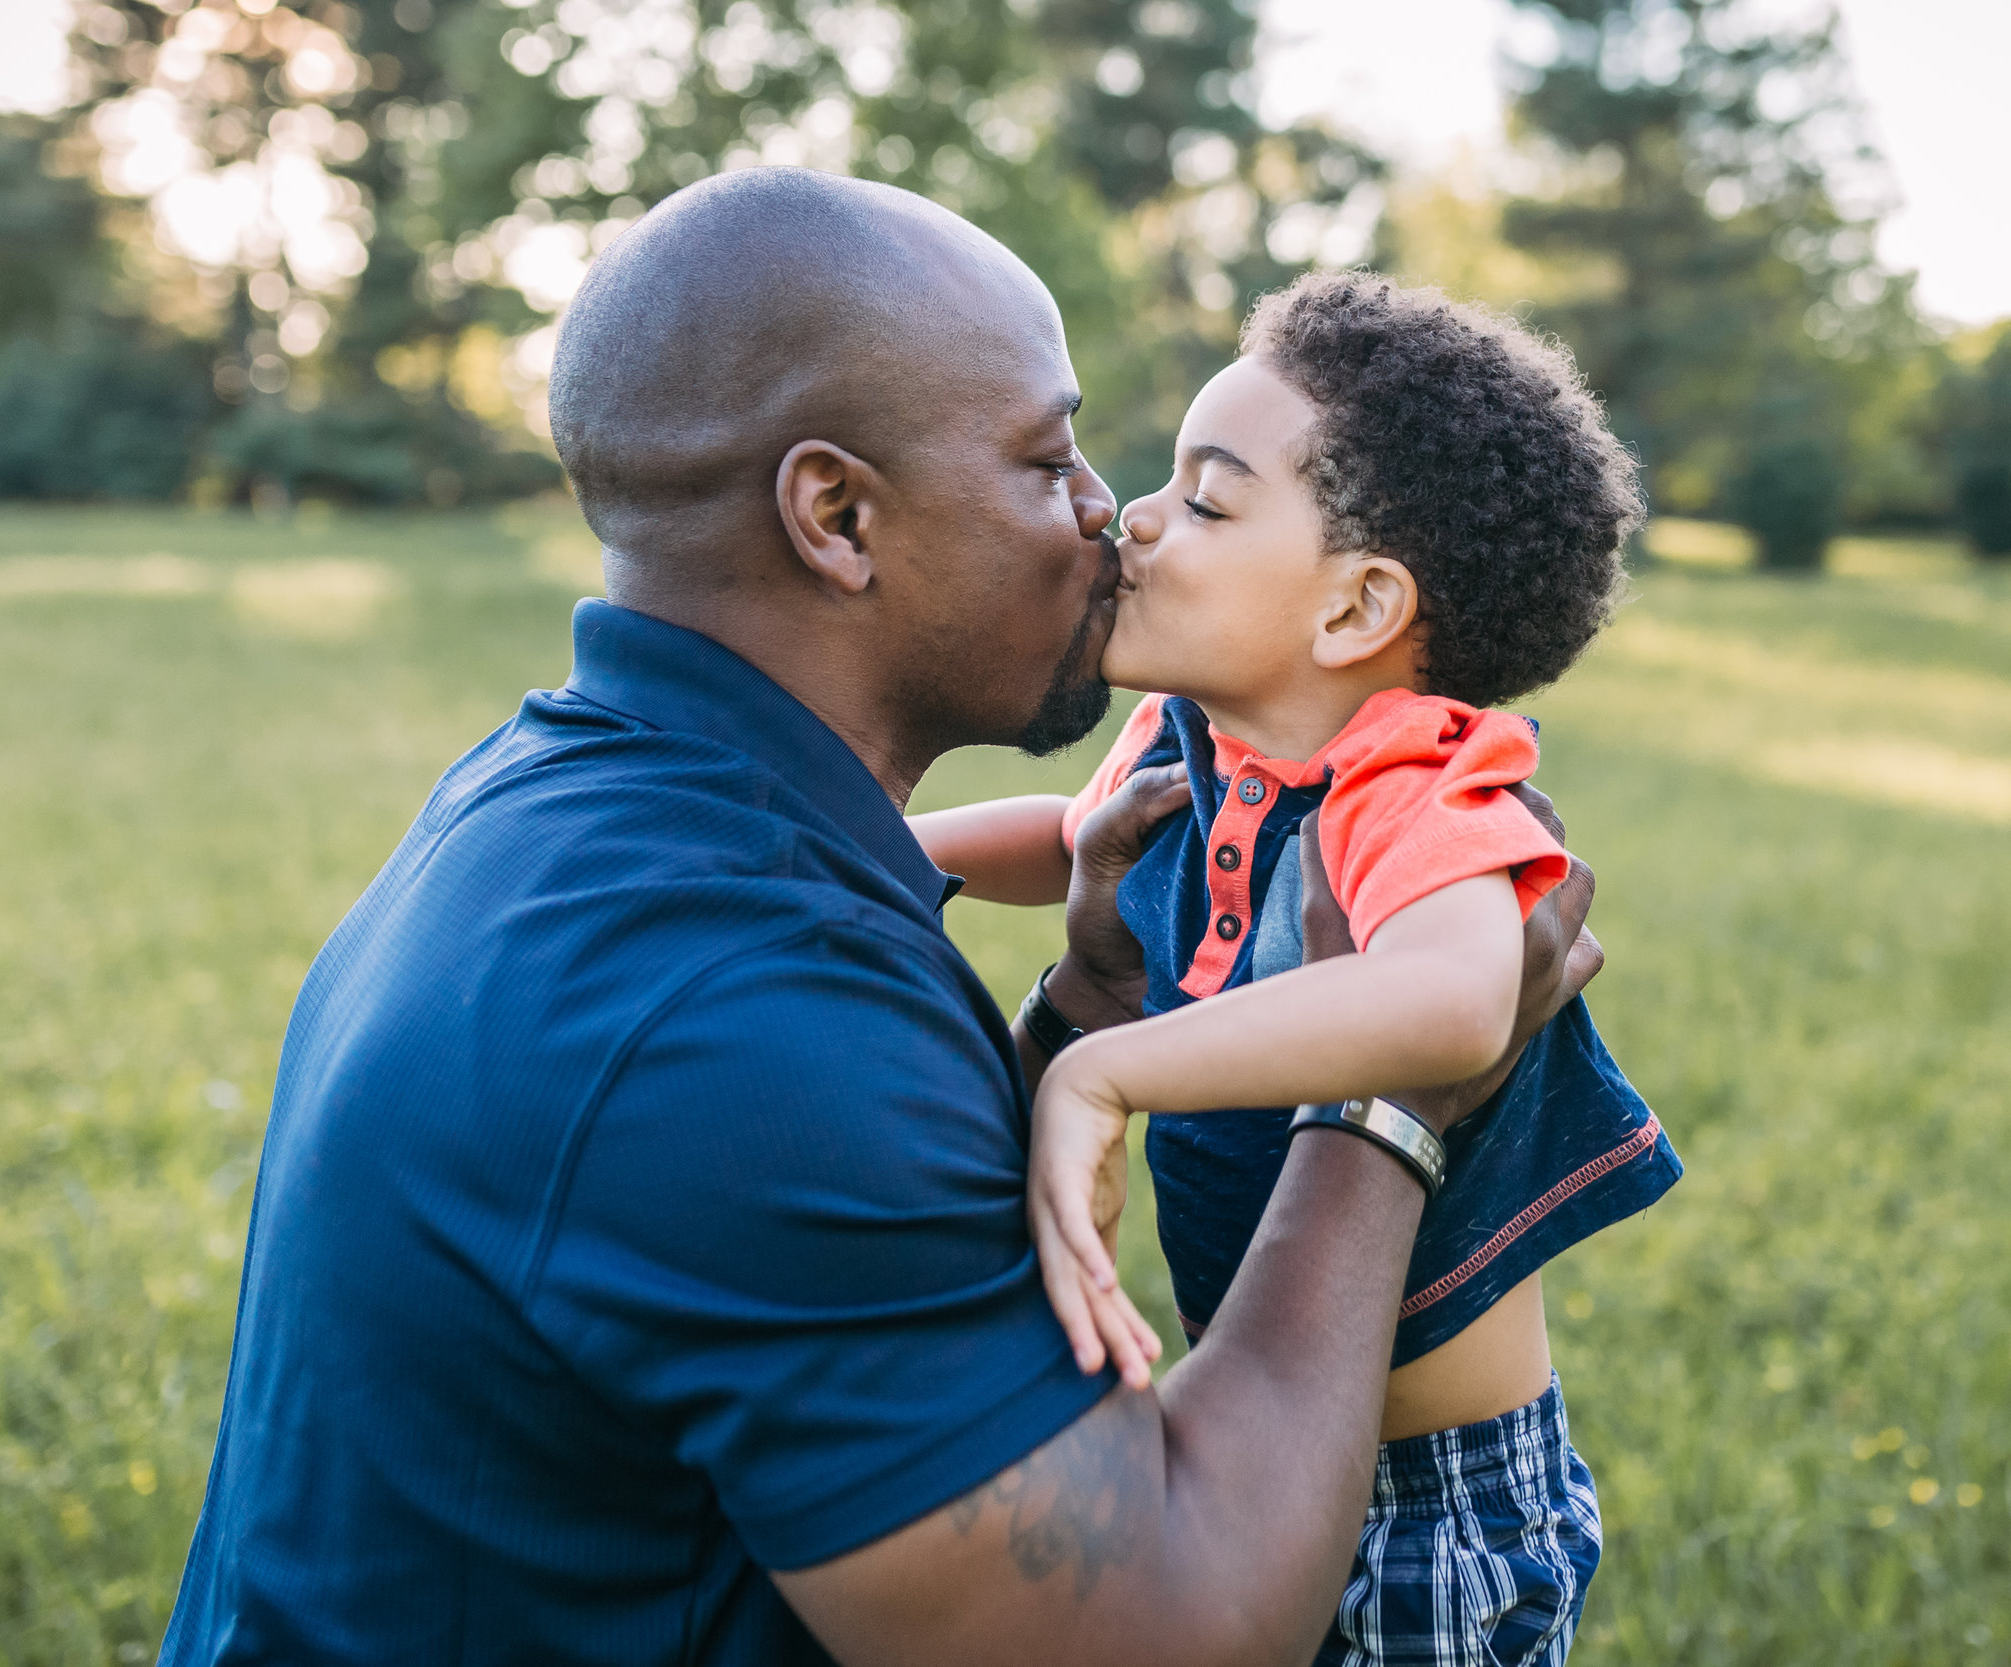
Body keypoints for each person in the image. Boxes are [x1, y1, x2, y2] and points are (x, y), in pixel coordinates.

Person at [156, 169, 1606, 1667]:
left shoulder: (566, 806)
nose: (1109, 517)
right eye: (1049, 462)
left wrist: (1091, 997)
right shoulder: (733, 1020)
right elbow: (1170, 1636)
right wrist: (1391, 1115)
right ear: (839, 515)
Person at [910, 272, 1681, 1665]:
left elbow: (1459, 999)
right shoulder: (1189, 735)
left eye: (1206, 502)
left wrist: (1103, 1072)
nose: (1135, 516)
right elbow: (1064, 837)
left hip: (1428, 1502)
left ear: (1355, 610)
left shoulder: (1416, 784)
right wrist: (841, 853)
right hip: (1256, 1424)